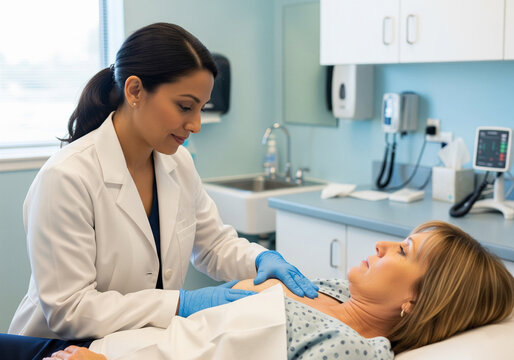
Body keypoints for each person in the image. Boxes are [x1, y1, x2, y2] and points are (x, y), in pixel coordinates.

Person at [8, 22, 318, 342]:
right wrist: (181, 303)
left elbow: (212, 245)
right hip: (57, 347)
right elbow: (68, 310)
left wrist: (260, 259)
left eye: (201, 108)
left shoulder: (177, 162)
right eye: (185, 107)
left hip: (135, 342)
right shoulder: (66, 177)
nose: (195, 124)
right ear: (135, 91)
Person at [5, 220, 512, 360]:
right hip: (102, 341)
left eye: (402, 250)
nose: (381, 246)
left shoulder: (352, 348)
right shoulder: (331, 290)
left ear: (418, 302)